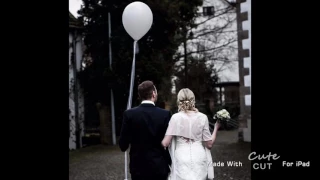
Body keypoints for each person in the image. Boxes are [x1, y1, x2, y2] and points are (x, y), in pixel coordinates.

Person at [162, 88, 220, 180]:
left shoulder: (175, 118)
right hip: (199, 156)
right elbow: (209, 144)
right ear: (193, 100)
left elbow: (165, 143)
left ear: (179, 100)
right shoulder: (203, 117)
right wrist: (216, 127)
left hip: (181, 157)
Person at [119, 80, 172, 180]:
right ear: (153, 94)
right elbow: (169, 142)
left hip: (138, 167)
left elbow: (123, 145)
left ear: (140, 95)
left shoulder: (129, 114)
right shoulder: (165, 114)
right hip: (159, 166)